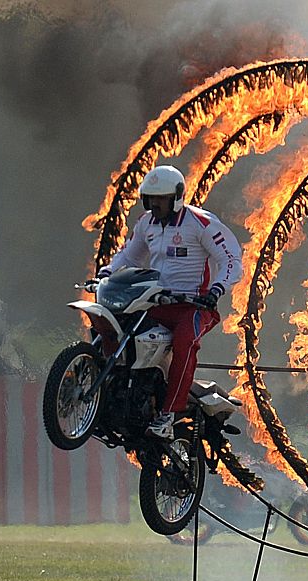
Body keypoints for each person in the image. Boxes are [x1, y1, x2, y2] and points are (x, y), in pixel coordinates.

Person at [96, 165, 243, 440]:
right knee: (114, 326)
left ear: (176, 197)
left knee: (185, 340)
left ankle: (168, 414)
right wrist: (106, 273)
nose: (154, 203)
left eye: (160, 198)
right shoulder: (146, 223)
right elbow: (129, 256)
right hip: (154, 301)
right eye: (150, 198)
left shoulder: (200, 223)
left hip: (195, 306)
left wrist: (217, 289)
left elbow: (231, 259)